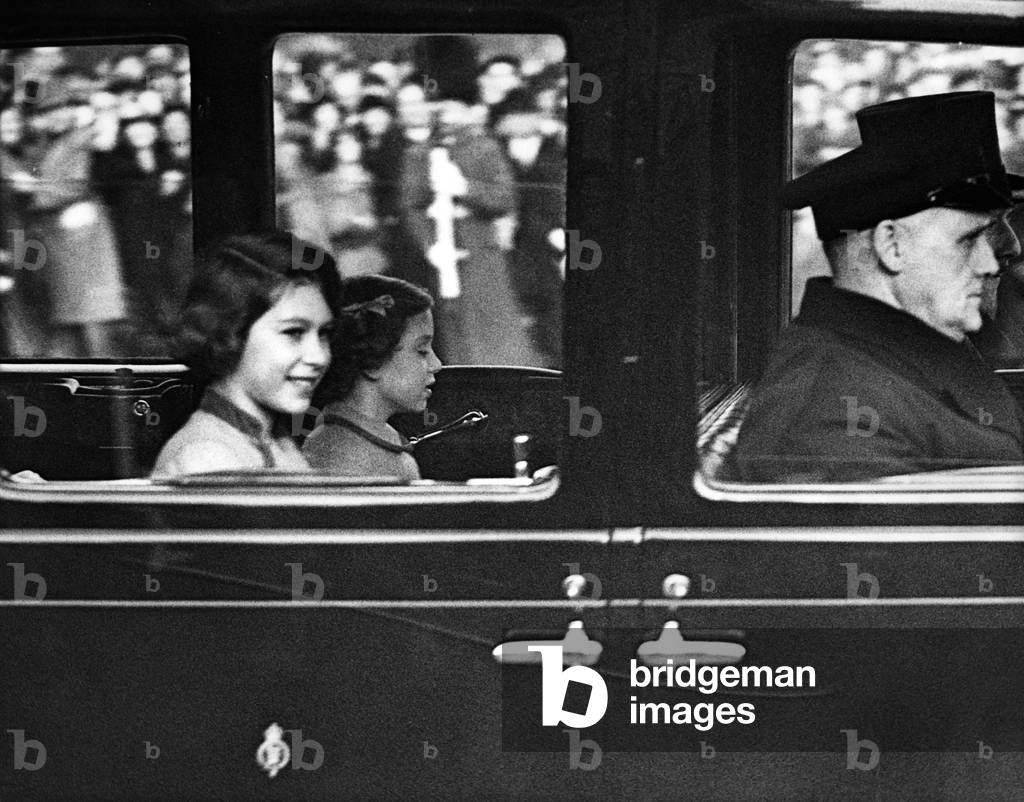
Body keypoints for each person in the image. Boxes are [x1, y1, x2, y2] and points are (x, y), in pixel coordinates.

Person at [729, 91, 1024, 483]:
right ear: (891, 246)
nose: (992, 262)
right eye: (968, 240)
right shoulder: (832, 414)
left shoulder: (904, 356)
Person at [151, 232, 341, 476]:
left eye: (324, 333)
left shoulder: (278, 444)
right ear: (229, 333)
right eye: (294, 332)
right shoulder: (208, 457)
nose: (319, 357)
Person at [302, 275, 441, 480]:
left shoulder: (381, 443)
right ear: (373, 359)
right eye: (421, 350)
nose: (436, 364)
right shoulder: (343, 458)